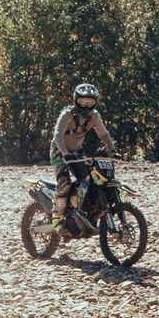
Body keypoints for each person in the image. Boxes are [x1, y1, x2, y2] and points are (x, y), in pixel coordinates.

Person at [51, 80, 113, 234]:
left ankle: (80, 213)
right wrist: (64, 153)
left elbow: (104, 135)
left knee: (88, 180)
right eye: (82, 101)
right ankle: (57, 219)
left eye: (89, 102)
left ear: (95, 102)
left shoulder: (95, 116)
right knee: (64, 182)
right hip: (59, 151)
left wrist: (112, 150)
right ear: (75, 100)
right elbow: (57, 136)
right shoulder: (67, 115)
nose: (86, 106)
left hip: (77, 152)